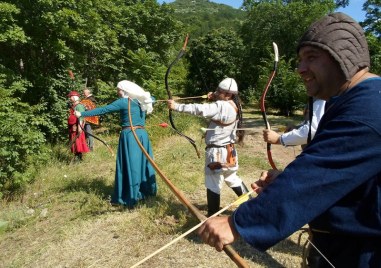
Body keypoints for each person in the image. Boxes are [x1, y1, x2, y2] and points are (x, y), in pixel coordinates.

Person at [197, 12, 381, 267]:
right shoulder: (351, 102)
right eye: (300, 59)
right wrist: (285, 177)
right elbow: (341, 172)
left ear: (344, 57)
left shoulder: (370, 106)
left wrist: (237, 222)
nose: (300, 69)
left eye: (312, 57)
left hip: (364, 255)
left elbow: (318, 173)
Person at [168, 77, 249, 216]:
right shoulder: (234, 104)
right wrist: (216, 98)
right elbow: (220, 111)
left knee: (213, 183)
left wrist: (176, 106)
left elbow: (199, 109)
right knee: (231, 177)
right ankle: (251, 204)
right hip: (229, 150)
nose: (216, 92)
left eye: (220, 91)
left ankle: (213, 215)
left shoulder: (221, 106)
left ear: (229, 94)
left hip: (217, 152)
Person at [74, 80, 157, 208]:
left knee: (133, 165)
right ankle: (146, 191)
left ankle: (131, 196)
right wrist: (148, 98)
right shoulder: (143, 100)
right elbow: (153, 98)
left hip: (130, 136)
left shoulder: (124, 101)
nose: (117, 92)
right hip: (142, 136)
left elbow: (103, 110)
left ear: (124, 90)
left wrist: (82, 114)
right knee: (142, 162)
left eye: (118, 89)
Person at [67, 91, 90, 162]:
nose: (70, 98)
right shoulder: (74, 106)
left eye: (70, 97)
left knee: (78, 144)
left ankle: (78, 159)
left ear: (74, 97)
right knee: (75, 144)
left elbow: (81, 117)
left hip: (77, 128)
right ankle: (77, 158)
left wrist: (80, 128)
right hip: (73, 128)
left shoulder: (79, 106)